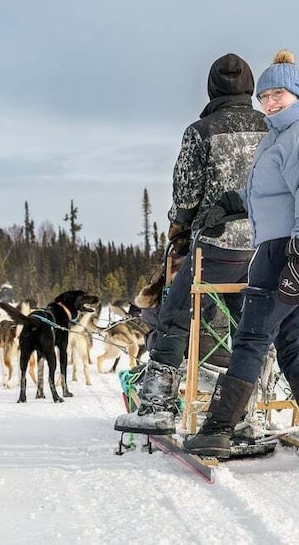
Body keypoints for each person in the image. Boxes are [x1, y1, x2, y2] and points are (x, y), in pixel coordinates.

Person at [183, 49, 299, 458]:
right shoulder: (280, 136)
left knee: (252, 337)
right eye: (265, 96)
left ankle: (218, 429)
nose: (270, 103)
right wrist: (233, 202)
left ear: (297, 94)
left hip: (291, 251)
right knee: (291, 343)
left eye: (278, 95)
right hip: (286, 246)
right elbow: (274, 195)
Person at [114, 53, 267, 434]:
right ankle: (244, 411)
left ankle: (158, 406)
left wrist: (179, 226)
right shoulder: (272, 128)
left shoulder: (200, 131)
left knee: (173, 316)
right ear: (249, 86)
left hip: (214, 248)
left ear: (212, 87)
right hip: (262, 249)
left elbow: (186, 195)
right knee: (244, 329)